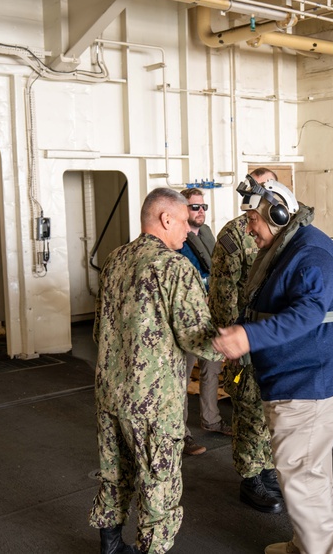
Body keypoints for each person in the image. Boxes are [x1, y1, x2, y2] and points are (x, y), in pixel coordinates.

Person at [214, 177, 333, 554]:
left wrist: (247, 338)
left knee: (301, 478)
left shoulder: (310, 254)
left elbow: (308, 313)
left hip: (311, 385)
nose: (248, 228)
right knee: (309, 473)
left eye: (253, 219)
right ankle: (305, 544)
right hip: (305, 380)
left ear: (278, 215)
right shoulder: (291, 247)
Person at [89, 187, 221, 554]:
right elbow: (203, 340)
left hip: (110, 393)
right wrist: (243, 337)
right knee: (158, 487)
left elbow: (100, 329)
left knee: (114, 474)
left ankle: (111, 548)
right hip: (153, 402)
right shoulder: (175, 268)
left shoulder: (115, 259)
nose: (189, 231)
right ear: (165, 219)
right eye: (183, 222)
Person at [207, 168, 283, 514]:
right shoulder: (234, 235)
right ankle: (250, 476)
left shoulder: (282, 231)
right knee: (248, 408)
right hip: (245, 336)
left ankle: (266, 468)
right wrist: (231, 342)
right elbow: (222, 294)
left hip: (273, 337)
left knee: (269, 408)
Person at [177, 188, 230, 458]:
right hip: (186, 320)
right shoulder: (175, 239)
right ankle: (182, 434)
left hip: (211, 316)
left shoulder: (208, 234)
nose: (200, 211)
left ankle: (211, 420)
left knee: (212, 370)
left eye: (203, 206)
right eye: (194, 207)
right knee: (181, 378)